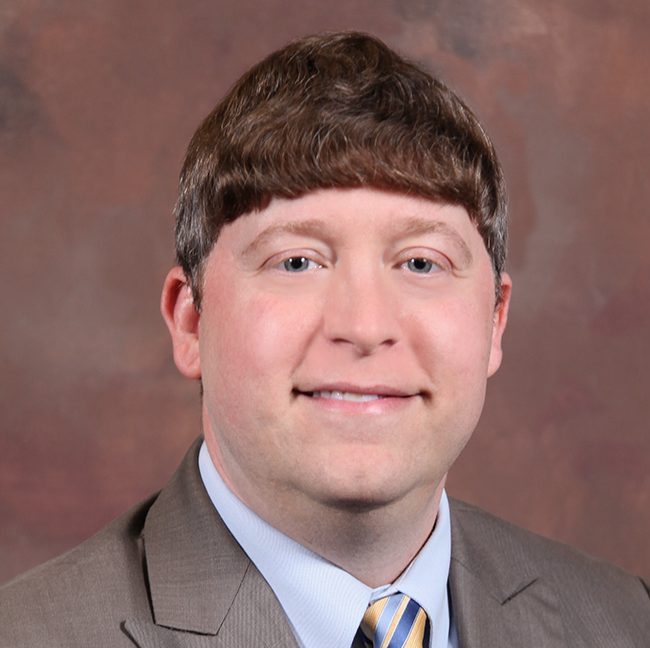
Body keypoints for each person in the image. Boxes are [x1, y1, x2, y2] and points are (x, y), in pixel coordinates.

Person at [1, 31, 648, 648]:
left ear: (494, 323)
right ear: (190, 322)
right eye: (298, 262)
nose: (365, 327)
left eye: (421, 263)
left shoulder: (625, 620)